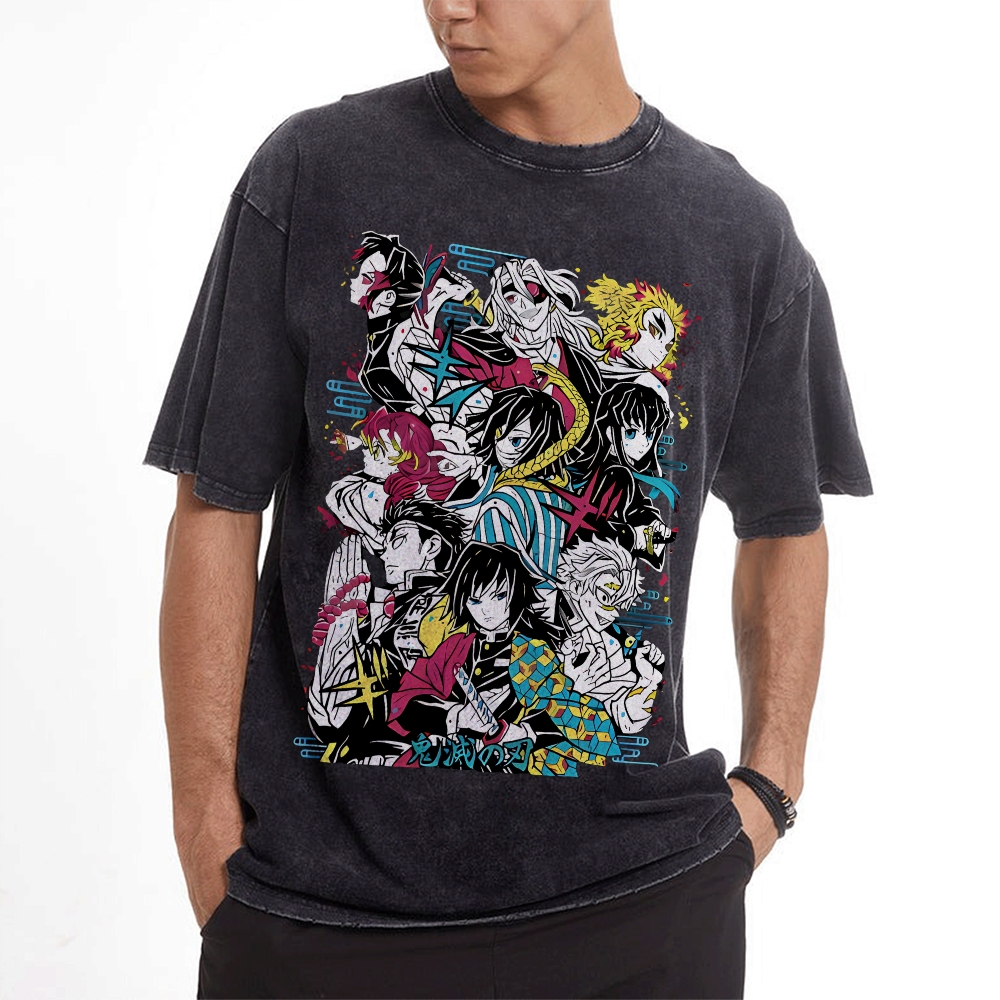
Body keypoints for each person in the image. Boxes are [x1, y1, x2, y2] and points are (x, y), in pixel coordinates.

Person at [147, 1, 871, 997]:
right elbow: (217, 501)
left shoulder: (735, 229)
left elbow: (786, 522)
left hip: (640, 909)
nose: (451, 7)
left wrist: (771, 784)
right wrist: (205, 830)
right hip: (318, 916)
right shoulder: (319, 171)